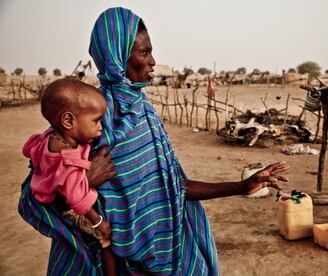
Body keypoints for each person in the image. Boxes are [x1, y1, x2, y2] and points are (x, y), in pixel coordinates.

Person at [19, 7, 288, 275]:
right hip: (98, 263)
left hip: (166, 251)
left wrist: (241, 186)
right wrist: (85, 182)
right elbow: (34, 198)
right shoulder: (84, 119)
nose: (153, 61)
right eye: (144, 52)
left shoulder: (143, 112)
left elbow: (171, 187)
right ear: (117, 57)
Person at [22, 78, 117, 275]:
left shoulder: (49, 136)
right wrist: (99, 222)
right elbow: (77, 199)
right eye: (96, 121)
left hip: (43, 189)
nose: (101, 128)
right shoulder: (71, 162)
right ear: (68, 121)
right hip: (70, 209)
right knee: (105, 240)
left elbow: (28, 148)